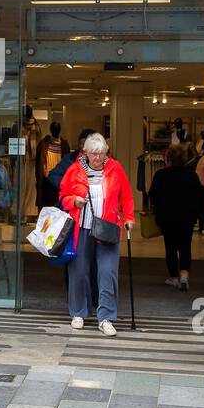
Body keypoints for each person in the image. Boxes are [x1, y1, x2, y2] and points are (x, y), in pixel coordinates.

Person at [59, 133, 134, 336]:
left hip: (107, 228)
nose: (98, 157)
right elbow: (63, 196)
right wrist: (74, 201)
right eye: (94, 153)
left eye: (101, 153)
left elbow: (126, 196)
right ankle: (78, 313)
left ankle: (106, 317)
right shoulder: (75, 170)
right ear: (86, 152)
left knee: (107, 273)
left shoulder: (115, 168)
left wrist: (128, 218)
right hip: (81, 227)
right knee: (79, 271)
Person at [149, 144, 204, 290]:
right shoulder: (191, 175)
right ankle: (184, 276)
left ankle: (173, 277)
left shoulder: (161, 175)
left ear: (168, 158)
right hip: (187, 218)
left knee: (170, 247)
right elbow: (200, 195)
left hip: (167, 217)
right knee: (185, 246)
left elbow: (152, 195)